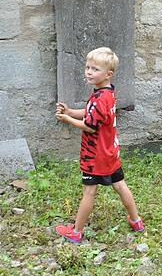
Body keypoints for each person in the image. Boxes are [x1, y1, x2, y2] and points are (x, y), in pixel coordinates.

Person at [54, 47, 145, 243]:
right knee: (120, 185)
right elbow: (90, 114)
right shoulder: (107, 94)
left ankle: (76, 232)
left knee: (89, 191)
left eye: (95, 69)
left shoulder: (99, 99)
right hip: (110, 151)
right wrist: (70, 112)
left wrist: (67, 120)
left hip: (95, 156)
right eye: (87, 67)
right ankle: (136, 220)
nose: (89, 72)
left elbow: (89, 126)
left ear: (108, 74)